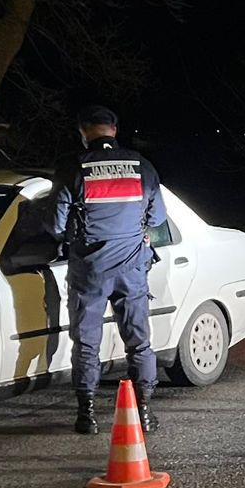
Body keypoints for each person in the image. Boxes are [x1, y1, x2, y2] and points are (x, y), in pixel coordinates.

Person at [51, 105, 167, 436]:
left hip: (89, 271)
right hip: (131, 268)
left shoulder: (74, 168)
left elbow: (55, 223)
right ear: (114, 131)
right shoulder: (141, 166)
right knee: (139, 341)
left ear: (83, 132)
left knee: (87, 341)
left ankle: (86, 415)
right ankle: (144, 411)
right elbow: (157, 219)